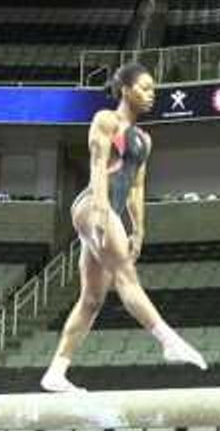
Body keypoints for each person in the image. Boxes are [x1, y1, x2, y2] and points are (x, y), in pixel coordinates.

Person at [41, 62, 208, 393]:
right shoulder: (107, 120)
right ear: (126, 89)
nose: (150, 95)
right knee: (125, 274)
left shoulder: (144, 140)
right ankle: (167, 340)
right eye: (145, 88)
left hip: (111, 214)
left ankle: (56, 371)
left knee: (91, 299)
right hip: (91, 206)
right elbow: (98, 165)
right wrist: (102, 209)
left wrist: (139, 229)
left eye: (153, 91)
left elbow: (135, 187)